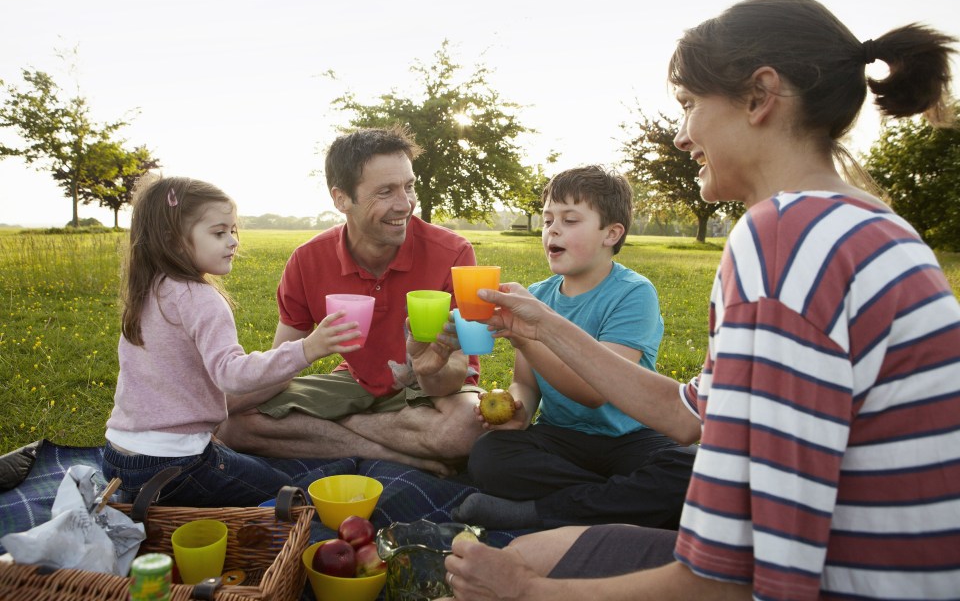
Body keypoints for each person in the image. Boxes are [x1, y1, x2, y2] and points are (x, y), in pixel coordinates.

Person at [440, 0, 960, 600]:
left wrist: (525, 594)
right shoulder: (865, 222)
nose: (684, 135)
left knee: (516, 572)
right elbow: (691, 415)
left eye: (689, 104)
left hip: (855, 585)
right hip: (874, 565)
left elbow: (723, 580)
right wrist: (541, 326)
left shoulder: (784, 238)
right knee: (529, 550)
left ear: (760, 97)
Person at [216, 126, 485, 475]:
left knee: (467, 430)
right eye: (386, 191)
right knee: (229, 422)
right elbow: (279, 366)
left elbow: (455, 375)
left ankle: (342, 434)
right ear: (342, 199)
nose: (405, 204)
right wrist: (223, 405)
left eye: (409, 186)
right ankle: (396, 454)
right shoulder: (308, 260)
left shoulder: (453, 253)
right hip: (355, 384)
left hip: (430, 390)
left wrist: (425, 369)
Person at [453, 166, 695, 531]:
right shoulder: (537, 294)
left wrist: (526, 336)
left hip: (632, 436)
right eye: (548, 219)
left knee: (692, 472)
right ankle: (619, 503)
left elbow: (595, 393)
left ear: (611, 234)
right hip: (562, 438)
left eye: (569, 220)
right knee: (490, 456)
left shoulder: (634, 293)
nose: (552, 228)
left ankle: (540, 512)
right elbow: (527, 383)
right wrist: (520, 409)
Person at [102, 175, 364, 506]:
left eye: (232, 230)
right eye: (218, 232)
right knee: (285, 490)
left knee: (244, 468)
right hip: (175, 466)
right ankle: (347, 472)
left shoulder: (147, 290)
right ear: (172, 239)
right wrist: (308, 348)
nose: (232, 241)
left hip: (118, 459)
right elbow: (232, 375)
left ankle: (151, 504)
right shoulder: (201, 299)